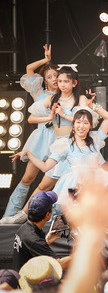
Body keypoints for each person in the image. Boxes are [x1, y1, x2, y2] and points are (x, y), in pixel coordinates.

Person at [11, 92, 108, 206]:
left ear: (90, 125)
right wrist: (28, 153)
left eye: (85, 123)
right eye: (78, 122)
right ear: (73, 124)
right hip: (75, 187)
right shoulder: (65, 144)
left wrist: (92, 106)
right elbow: (45, 167)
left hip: (95, 185)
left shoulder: (95, 139)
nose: (81, 126)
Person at [1, 65, 80, 224]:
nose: (57, 81)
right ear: (44, 80)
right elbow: (31, 117)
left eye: (59, 78)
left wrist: (65, 115)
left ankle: (57, 220)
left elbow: (86, 120)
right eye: (53, 78)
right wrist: (49, 118)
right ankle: (16, 214)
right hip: (47, 140)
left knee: (66, 185)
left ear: (73, 82)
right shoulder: (48, 97)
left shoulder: (78, 99)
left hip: (67, 144)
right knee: (32, 180)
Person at [2, 44, 58, 221]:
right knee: (27, 178)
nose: (54, 79)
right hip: (40, 138)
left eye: (56, 75)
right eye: (49, 76)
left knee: (51, 181)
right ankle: (10, 215)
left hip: (58, 139)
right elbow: (29, 69)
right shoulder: (39, 92)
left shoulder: (65, 95)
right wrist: (46, 60)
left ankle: (38, 215)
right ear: (45, 80)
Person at [12, 191, 72, 271]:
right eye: (52, 207)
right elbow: (58, 265)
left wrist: (46, 241)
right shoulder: (34, 240)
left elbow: (31, 251)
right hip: (26, 278)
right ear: (47, 215)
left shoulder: (24, 228)